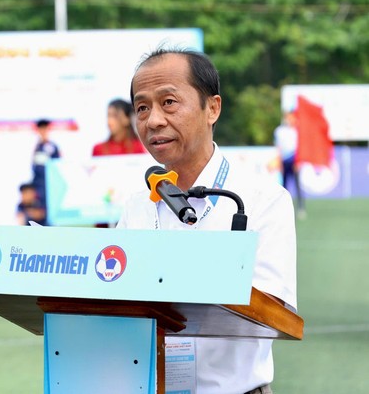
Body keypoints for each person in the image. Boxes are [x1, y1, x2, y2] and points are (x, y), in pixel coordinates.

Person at [119, 48, 296, 394]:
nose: (153, 120)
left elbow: (274, 314)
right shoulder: (135, 207)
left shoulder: (262, 200)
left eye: (168, 102)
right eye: (141, 108)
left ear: (212, 108)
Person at [274, 111, 305, 217]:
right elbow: (278, 147)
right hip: (284, 160)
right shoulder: (279, 131)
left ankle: (301, 207)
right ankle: (283, 208)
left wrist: (298, 162)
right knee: (284, 186)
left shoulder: (296, 131)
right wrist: (279, 162)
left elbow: (299, 148)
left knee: (297, 185)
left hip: (294, 160)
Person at [31, 119, 60, 209]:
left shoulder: (53, 147)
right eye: (41, 129)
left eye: (45, 129)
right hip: (38, 184)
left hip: (50, 184)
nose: (43, 131)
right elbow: (35, 167)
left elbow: (57, 166)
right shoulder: (37, 146)